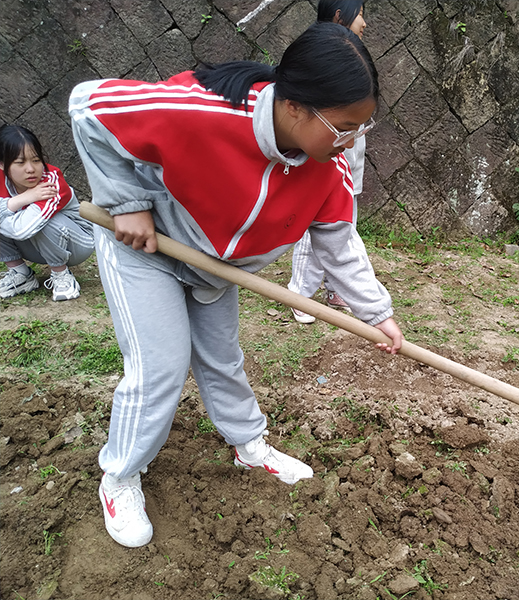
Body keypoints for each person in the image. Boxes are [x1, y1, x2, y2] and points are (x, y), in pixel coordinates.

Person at [68, 21, 403, 548]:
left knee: (221, 358)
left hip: (214, 269)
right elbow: (88, 106)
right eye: (344, 126)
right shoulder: (201, 111)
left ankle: (250, 445)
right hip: (147, 248)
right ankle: (120, 474)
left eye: (362, 126)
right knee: (162, 365)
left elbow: (340, 242)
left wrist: (375, 314)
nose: (351, 140)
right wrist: (126, 203)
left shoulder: (324, 165)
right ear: (295, 107)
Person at [288, 0, 368, 323]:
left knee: (345, 219)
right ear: (339, 15)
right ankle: (300, 295)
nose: (365, 22)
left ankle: (336, 289)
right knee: (323, 222)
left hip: (348, 150)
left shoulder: (352, 53)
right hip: (327, 151)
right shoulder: (320, 53)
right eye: (361, 14)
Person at [0, 125, 93, 301]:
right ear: (2, 164)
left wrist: (4, 210)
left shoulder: (51, 182)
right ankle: (21, 274)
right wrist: (23, 198)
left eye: (36, 160)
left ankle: (61, 275)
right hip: (33, 246)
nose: (31, 169)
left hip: (77, 245)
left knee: (45, 221)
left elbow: (22, 230)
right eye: (20, 162)